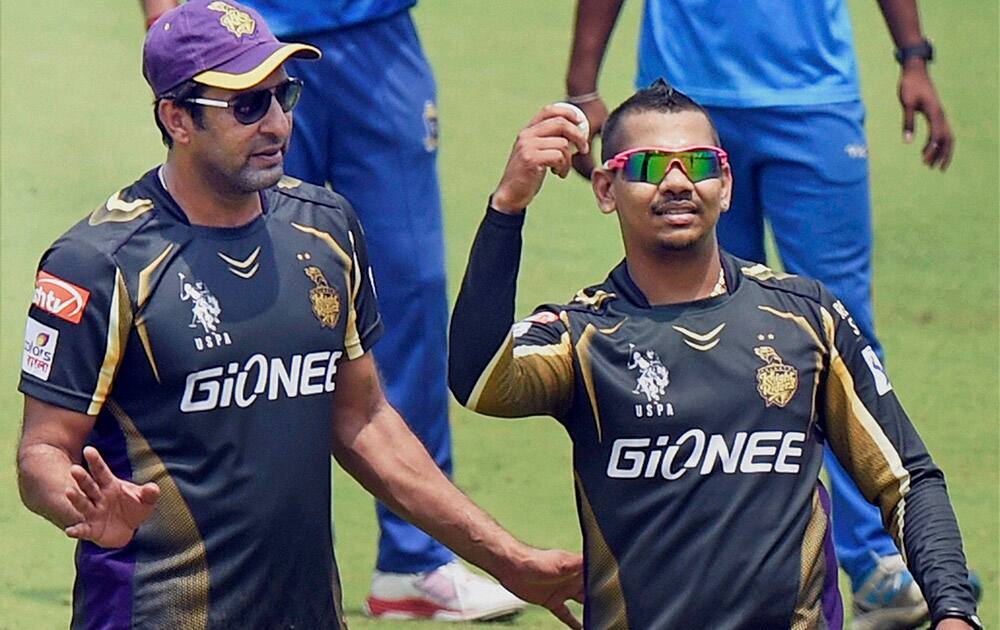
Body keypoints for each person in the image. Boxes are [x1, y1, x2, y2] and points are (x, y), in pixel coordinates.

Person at [15, 2, 584, 628]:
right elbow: (43, 450)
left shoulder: (325, 228)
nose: (278, 124)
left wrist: (509, 559)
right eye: (247, 106)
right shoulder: (98, 264)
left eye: (283, 95)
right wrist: (82, 501)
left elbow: (363, 419)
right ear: (177, 118)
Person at [448, 82, 981, 629]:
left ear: (725, 184)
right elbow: (481, 380)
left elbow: (906, 479)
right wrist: (508, 207)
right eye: (650, 166)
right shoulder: (585, 335)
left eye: (699, 163)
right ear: (606, 188)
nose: (678, 182)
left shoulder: (807, 318)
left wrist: (954, 612)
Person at [563, 1, 956, 626]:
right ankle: (713, 557)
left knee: (836, 333)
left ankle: (872, 556)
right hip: (686, 108)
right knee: (708, 338)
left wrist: (914, 56)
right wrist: (583, 84)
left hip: (813, 94)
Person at [137, 0, 501, 619]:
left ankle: (416, 560)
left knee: (411, 290)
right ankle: (226, 559)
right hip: (246, 44)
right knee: (240, 301)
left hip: (379, 38)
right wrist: (169, 28)